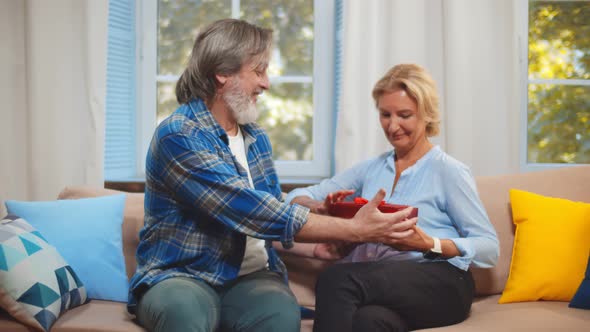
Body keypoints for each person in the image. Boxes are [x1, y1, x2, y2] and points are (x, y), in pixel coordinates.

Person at [127, 19, 418, 332]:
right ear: (222, 73)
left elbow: (267, 211)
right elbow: (251, 210)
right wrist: (355, 230)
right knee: (185, 314)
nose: (266, 84)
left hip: (250, 279)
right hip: (182, 277)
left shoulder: (255, 138)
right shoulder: (179, 135)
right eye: (258, 70)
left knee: (280, 316)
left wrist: (314, 234)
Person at [285, 63, 500, 332]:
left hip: (443, 282)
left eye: (405, 115)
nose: (393, 125)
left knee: (336, 279)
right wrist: (319, 206)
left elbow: (489, 248)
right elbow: (294, 197)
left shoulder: (449, 171)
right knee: (368, 322)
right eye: (385, 114)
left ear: (427, 115)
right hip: (386, 286)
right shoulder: (370, 169)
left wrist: (429, 243)